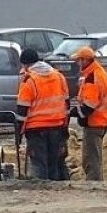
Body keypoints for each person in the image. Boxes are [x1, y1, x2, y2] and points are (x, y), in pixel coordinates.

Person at [16, 48, 70, 180]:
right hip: (57, 128)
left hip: (36, 130)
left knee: (39, 167)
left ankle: (42, 197)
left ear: (25, 64)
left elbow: (22, 111)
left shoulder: (29, 81)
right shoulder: (59, 76)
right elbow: (67, 105)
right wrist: (65, 128)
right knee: (54, 165)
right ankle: (56, 195)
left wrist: (18, 133)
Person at [69, 46, 107, 181]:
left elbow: (89, 106)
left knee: (91, 159)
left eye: (79, 60)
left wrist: (73, 113)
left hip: (94, 123)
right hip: (101, 121)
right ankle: (96, 183)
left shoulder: (92, 78)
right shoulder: (98, 73)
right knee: (94, 158)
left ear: (85, 60)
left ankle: (94, 186)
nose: (77, 63)